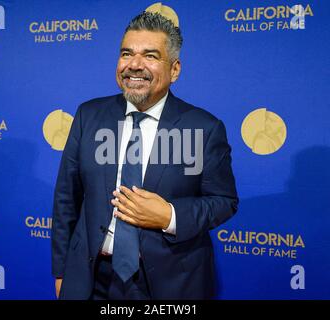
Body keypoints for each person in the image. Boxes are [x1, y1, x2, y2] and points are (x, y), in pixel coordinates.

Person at [51, 11, 238, 300]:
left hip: (170, 282)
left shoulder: (204, 128)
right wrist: (62, 271)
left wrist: (170, 216)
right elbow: (67, 199)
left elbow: (224, 202)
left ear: (174, 70)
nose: (134, 65)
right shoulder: (89, 115)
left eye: (150, 56)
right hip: (91, 279)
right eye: (127, 53)